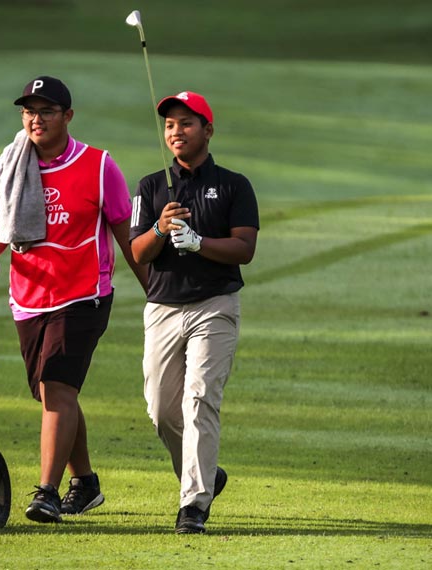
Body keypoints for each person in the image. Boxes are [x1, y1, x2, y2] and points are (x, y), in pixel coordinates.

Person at [0, 75, 147, 523]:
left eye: (46, 111)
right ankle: (86, 482)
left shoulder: (100, 166)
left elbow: (127, 236)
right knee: (50, 393)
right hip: (29, 297)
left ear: (68, 116)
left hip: (84, 294)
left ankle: (47, 491)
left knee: (59, 386)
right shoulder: (12, 162)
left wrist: (156, 290)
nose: (35, 119)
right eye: (28, 111)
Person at [129, 91, 259, 534]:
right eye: (169, 125)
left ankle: (194, 505)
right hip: (163, 308)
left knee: (200, 398)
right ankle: (207, 472)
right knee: (162, 411)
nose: (176, 131)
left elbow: (245, 249)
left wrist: (201, 243)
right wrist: (160, 229)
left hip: (214, 305)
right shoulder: (151, 187)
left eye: (186, 123)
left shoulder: (234, 185)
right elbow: (138, 251)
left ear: (208, 129)